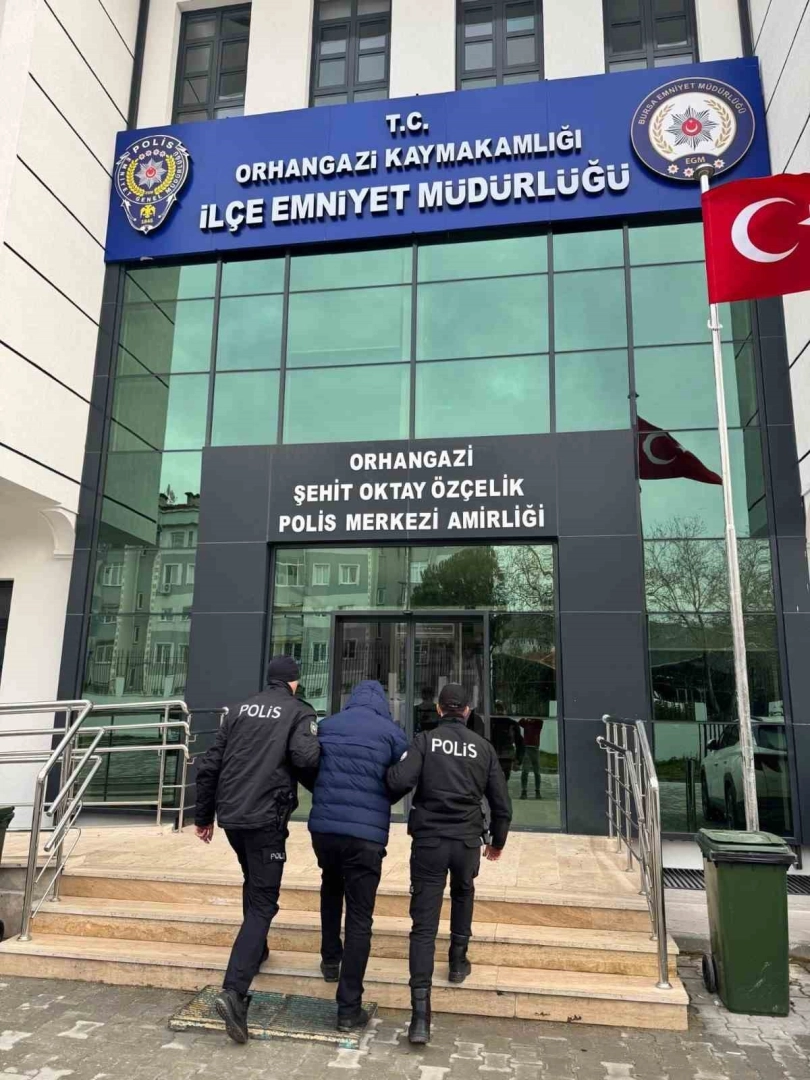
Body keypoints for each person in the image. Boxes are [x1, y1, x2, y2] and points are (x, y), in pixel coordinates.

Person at [194, 656, 320, 1045]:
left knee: (253, 880)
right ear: (294, 683)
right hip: (266, 819)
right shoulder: (299, 711)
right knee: (265, 900)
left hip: (232, 817)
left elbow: (210, 765)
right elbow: (306, 758)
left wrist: (203, 816)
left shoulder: (238, 710)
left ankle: (258, 948)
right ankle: (235, 991)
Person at [387, 683, 512, 1046]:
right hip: (466, 842)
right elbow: (502, 804)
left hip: (429, 842)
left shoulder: (425, 741)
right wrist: (497, 842)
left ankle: (420, 1017)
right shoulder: (483, 748)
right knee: (463, 893)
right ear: (467, 711)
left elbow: (399, 782)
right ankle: (458, 962)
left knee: (423, 927)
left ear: (440, 710)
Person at [308, 680, 409, 1031]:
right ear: (382, 703)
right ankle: (348, 1008)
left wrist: (320, 792)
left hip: (324, 831)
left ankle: (329, 959)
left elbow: (306, 762)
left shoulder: (328, 725)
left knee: (330, 885)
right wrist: (384, 799)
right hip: (366, 837)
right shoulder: (392, 733)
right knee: (360, 917)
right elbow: (403, 777)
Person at [519, 715, 544, 799]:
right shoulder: (527, 723)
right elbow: (520, 721)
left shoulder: (538, 723)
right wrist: (527, 717)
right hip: (527, 748)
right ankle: (524, 791)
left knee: (537, 772)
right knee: (525, 771)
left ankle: (537, 791)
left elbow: (540, 721)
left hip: (535, 749)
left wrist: (530, 719)